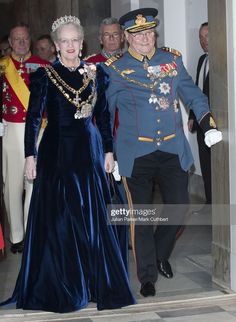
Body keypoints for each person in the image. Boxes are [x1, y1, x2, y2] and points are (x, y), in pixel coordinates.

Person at [0, 15, 135, 313]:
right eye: (65, 41)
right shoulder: (44, 76)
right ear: (57, 45)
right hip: (56, 153)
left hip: (89, 153)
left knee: (91, 218)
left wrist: (108, 152)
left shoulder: (96, 73)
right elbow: (34, 118)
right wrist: (29, 157)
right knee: (61, 221)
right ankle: (64, 283)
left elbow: (101, 117)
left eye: (75, 40)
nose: (71, 45)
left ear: (82, 43)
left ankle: (93, 282)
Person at [104, 8, 222, 297]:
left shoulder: (171, 60)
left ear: (154, 33)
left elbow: (192, 93)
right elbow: (104, 115)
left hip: (171, 148)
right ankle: (147, 276)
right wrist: (109, 152)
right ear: (127, 38)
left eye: (148, 33)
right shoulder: (114, 69)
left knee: (179, 208)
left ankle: (158, 253)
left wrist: (207, 123)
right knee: (141, 217)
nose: (145, 38)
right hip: (136, 153)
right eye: (137, 34)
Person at [0, 23, 49, 254]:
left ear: (29, 40)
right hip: (11, 129)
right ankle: (16, 236)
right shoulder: (2, 67)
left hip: (39, 130)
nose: (21, 43)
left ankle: (31, 233)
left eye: (24, 39)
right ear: (10, 42)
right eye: (16, 39)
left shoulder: (44, 66)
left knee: (34, 184)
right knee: (12, 185)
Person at [188, 22, 211, 213]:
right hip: (200, 123)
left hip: (215, 124)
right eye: (201, 38)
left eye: (208, 36)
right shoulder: (202, 60)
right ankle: (210, 201)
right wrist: (192, 117)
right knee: (204, 163)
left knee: (216, 165)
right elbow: (196, 91)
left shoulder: (223, 61)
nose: (204, 42)